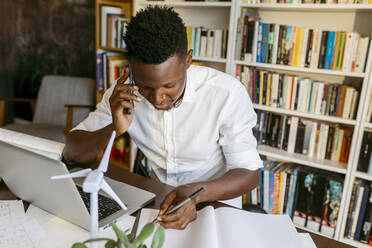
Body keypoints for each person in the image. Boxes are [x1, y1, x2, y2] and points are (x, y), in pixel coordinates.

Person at [63, 6, 262, 230]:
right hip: (160, 202)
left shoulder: (226, 94)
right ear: (130, 68)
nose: (158, 98)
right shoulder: (121, 96)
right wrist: (114, 128)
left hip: (215, 204)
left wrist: (193, 195)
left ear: (188, 61)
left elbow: (248, 173)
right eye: (145, 86)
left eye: (170, 85)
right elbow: (71, 151)